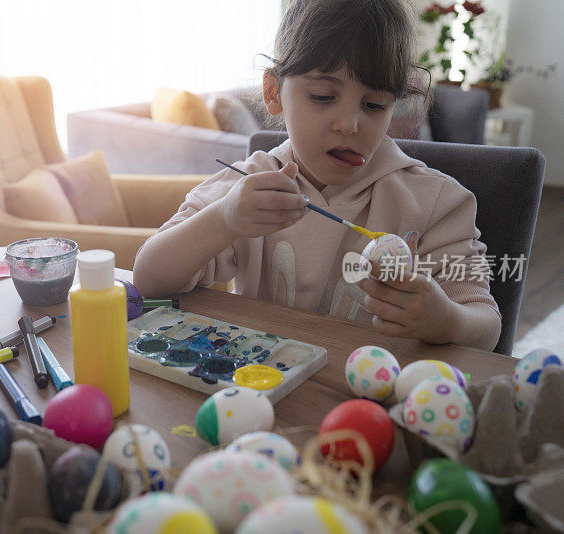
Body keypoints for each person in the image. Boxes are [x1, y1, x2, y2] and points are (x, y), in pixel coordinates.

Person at [133, 0, 501, 351]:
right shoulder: (251, 188)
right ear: (273, 92)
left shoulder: (435, 203)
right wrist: (224, 219)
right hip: (265, 391)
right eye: (323, 96)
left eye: (373, 105)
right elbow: (149, 278)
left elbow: (487, 326)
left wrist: (447, 320)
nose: (348, 124)